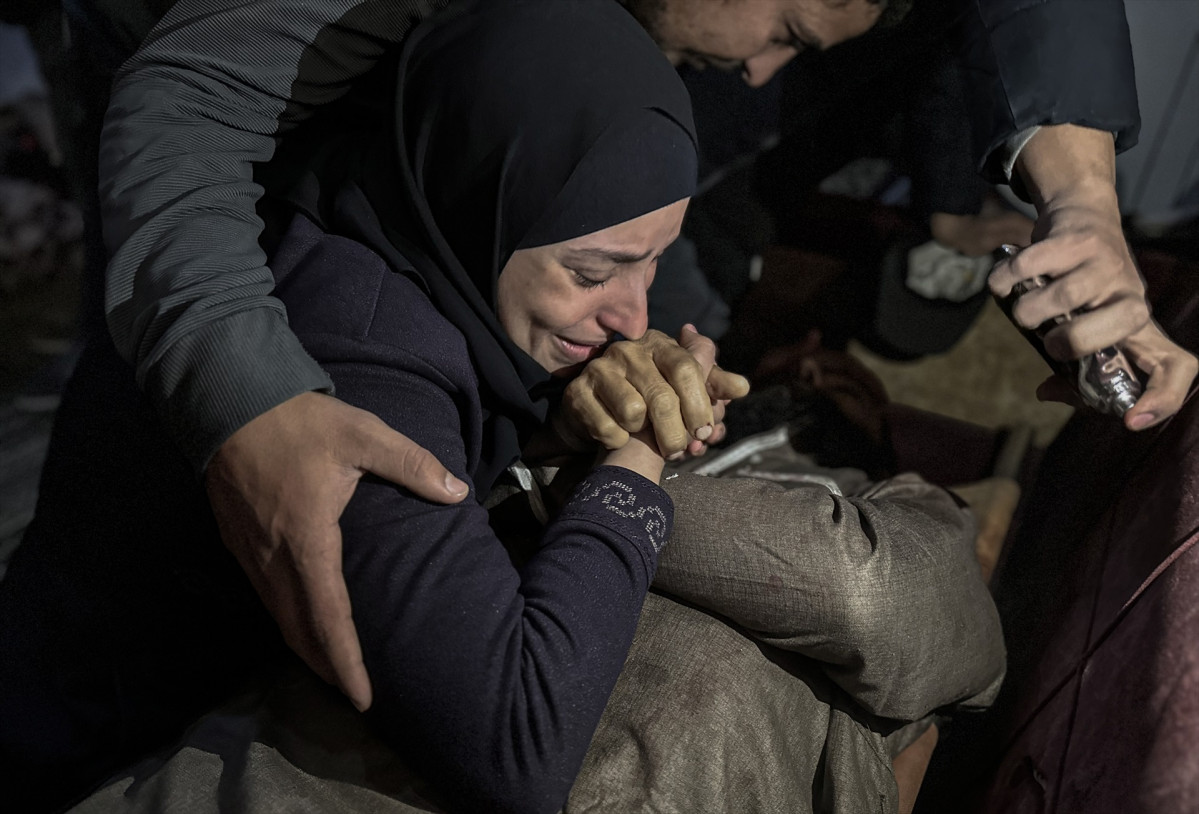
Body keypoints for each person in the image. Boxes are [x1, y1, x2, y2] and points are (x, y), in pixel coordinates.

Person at [1, 5, 1008, 814]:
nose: (632, 317)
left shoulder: (418, 238)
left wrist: (560, 414)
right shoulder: (362, 363)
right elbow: (517, 744)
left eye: (651, 264)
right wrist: (632, 464)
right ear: (488, 195)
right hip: (84, 729)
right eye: (589, 270)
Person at [90, 0, 1194, 713]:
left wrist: (1082, 204)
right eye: (788, 37)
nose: (762, 79)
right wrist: (243, 398)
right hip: (222, 111)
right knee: (185, 472)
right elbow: (189, 102)